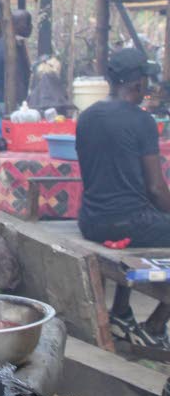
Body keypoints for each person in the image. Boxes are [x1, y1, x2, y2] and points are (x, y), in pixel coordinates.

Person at [77, 47, 170, 349]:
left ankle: (120, 313)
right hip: (127, 223)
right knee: (145, 215)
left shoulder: (87, 117)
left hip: (91, 222)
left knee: (139, 211)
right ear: (138, 83)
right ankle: (154, 327)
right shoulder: (142, 122)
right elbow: (157, 189)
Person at [0, 9, 32, 107]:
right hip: (9, 103)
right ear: (18, 25)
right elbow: (18, 78)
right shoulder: (10, 47)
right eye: (27, 23)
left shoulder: (5, 42)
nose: (30, 27)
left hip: (3, 99)